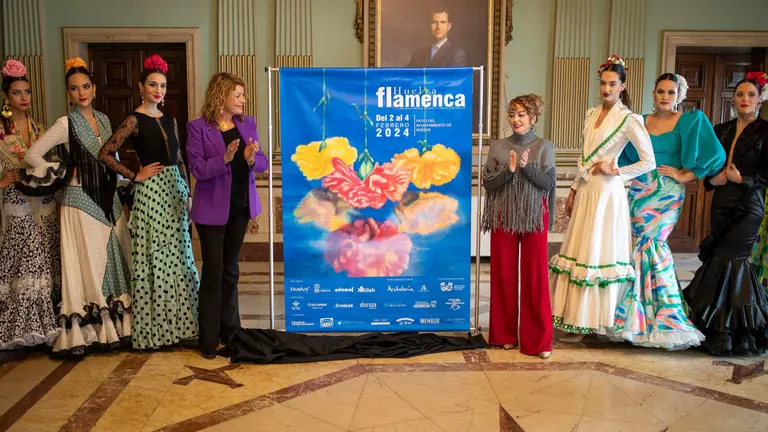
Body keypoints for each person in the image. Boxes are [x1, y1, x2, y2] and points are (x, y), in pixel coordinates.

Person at [23, 58, 132, 358]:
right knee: (90, 263)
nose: (81, 92)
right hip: (79, 200)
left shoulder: (106, 120)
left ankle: (118, 329)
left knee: (115, 257)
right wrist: (61, 170)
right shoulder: (64, 124)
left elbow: (114, 157)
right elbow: (33, 155)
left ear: (94, 89)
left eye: (85, 86)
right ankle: (89, 331)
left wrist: (124, 185)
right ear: (68, 93)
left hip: (108, 198)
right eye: (74, 88)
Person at [608, 73, 726, 350]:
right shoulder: (638, 120)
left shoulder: (690, 120)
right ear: (653, 92)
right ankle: (630, 318)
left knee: (654, 244)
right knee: (636, 245)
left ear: (679, 96)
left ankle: (664, 317)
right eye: (661, 91)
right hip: (640, 189)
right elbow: (623, 152)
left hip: (668, 192)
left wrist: (687, 175)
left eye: (671, 93)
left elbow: (716, 155)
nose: (665, 97)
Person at [550, 54, 655, 343]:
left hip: (608, 193)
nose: (606, 89)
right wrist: (572, 190)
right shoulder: (590, 114)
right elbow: (583, 159)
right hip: (586, 190)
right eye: (603, 83)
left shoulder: (629, 119)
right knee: (581, 250)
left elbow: (649, 161)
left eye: (612, 84)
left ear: (623, 86)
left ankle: (601, 321)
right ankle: (575, 319)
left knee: (599, 251)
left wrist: (616, 169)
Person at [98, 54, 199, 350]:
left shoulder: (170, 119)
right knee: (154, 259)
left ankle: (182, 326)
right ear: (141, 87)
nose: (159, 90)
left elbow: (179, 159)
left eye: (163, 85)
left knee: (179, 258)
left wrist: (188, 193)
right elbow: (105, 153)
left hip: (175, 192)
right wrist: (134, 174)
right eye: (153, 84)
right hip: (151, 192)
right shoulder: (133, 119)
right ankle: (157, 331)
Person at [683, 71, 768, 356]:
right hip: (721, 202)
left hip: (748, 205)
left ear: (760, 99)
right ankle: (716, 326)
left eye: (751, 95)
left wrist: (742, 179)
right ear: (733, 99)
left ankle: (732, 331)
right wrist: (712, 181)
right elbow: (707, 166)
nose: (745, 99)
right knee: (719, 259)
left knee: (733, 260)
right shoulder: (720, 129)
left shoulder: (766, 131)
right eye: (740, 94)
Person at [186, 73, 267, 359]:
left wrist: (249, 157)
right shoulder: (197, 128)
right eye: (238, 95)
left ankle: (230, 333)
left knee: (231, 270)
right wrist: (224, 159)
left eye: (243, 95)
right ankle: (208, 339)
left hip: (240, 208)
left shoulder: (248, 124)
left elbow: (262, 163)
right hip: (210, 211)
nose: (243, 100)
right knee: (213, 271)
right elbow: (196, 169)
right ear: (221, 96)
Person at [482, 94, 555, 359]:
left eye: (522, 114)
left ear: (533, 118)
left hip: (535, 217)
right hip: (503, 216)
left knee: (535, 278)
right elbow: (488, 183)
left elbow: (548, 185)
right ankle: (504, 335)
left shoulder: (545, 146)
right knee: (503, 274)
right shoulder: (498, 146)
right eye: (512, 114)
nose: (515, 119)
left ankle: (538, 342)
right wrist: (509, 171)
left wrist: (527, 168)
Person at [0, 59, 60, 350]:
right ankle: (21, 327)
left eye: (27, 92)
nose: (24, 98)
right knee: (26, 257)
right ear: (6, 98)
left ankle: (46, 325)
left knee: (45, 255)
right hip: (17, 202)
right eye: (17, 93)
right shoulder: (0, 131)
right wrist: (2, 181)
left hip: (44, 201)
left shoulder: (40, 128)